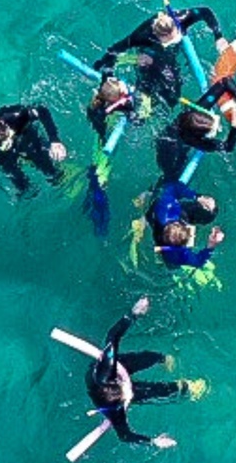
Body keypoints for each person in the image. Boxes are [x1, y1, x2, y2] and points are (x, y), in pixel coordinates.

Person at [85, 296, 206, 446]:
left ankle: (161, 358)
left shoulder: (108, 367)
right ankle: (185, 388)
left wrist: (133, 314)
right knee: (151, 391)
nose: (129, 387)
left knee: (143, 359)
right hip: (108, 392)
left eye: (125, 388)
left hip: (113, 372)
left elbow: (112, 336)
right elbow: (125, 436)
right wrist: (154, 441)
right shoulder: (115, 412)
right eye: (127, 396)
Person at [91, 4, 229, 107]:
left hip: (166, 55)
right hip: (149, 53)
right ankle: (144, 106)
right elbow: (115, 49)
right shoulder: (142, 36)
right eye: (172, 39)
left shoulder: (180, 19)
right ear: (158, 36)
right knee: (150, 84)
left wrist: (218, 36)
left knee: (173, 92)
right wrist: (103, 68)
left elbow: (205, 11)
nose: (177, 39)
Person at [154, 76, 236, 182]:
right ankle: (151, 190)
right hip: (171, 149)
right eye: (213, 131)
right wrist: (235, 125)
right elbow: (228, 147)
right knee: (171, 177)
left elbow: (225, 82)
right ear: (202, 136)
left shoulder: (198, 110)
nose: (218, 129)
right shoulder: (198, 142)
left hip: (175, 130)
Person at [145, 180, 224, 268]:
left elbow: (172, 188)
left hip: (156, 228)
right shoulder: (179, 253)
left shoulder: (165, 209)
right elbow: (199, 262)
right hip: (166, 249)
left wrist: (197, 197)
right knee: (210, 213)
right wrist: (212, 244)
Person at [86, 75, 139, 144]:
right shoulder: (109, 92)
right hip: (116, 99)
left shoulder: (126, 99)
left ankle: (102, 138)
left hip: (126, 104)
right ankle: (102, 137)